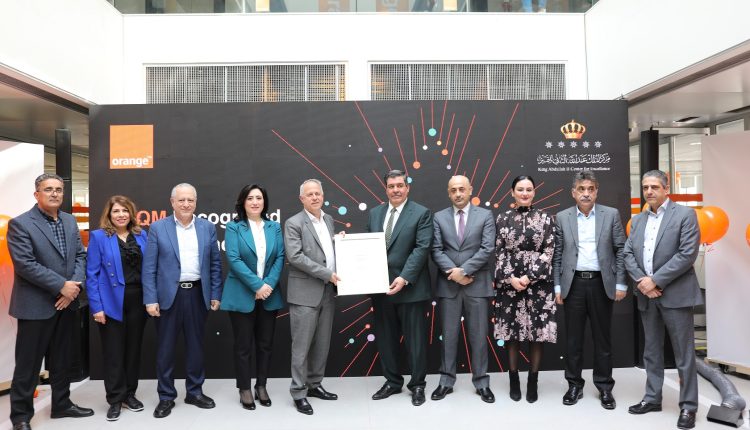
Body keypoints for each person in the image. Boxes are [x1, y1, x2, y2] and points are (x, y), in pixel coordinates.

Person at [7, 173, 94, 430]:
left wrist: (73, 288)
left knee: (62, 360)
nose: (54, 193)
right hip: (35, 306)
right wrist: (61, 286)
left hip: (67, 303)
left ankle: (62, 405)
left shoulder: (69, 220)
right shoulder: (21, 224)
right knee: (28, 365)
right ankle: (21, 417)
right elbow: (25, 265)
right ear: (37, 194)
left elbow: (80, 256)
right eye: (48, 189)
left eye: (58, 189)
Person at [624, 170, 701, 430]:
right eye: (645, 187)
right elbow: (628, 254)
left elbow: (687, 254)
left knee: (683, 354)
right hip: (647, 295)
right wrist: (643, 282)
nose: (649, 191)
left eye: (654, 187)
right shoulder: (638, 220)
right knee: (651, 351)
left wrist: (655, 280)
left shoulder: (685, 215)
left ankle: (688, 406)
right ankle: (652, 398)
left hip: (675, 295)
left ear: (667, 188)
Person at [142, 183, 223, 418]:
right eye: (181, 200)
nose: (186, 204)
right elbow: (149, 268)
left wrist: (215, 293)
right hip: (169, 297)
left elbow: (215, 264)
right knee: (165, 350)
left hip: (198, 294)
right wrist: (150, 299)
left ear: (195, 202)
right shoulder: (158, 228)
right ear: (172, 202)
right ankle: (166, 396)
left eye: (190, 200)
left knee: (196, 348)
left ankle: (194, 392)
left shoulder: (207, 227)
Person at [552, 170, 626, 410]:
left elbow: (621, 249)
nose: (586, 194)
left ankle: (604, 387)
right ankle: (574, 385)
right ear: (573, 192)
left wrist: (621, 283)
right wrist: (557, 285)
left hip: (601, 284)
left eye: (590, 189)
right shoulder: (562, 217)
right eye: (581, 189)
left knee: (602, 339)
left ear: (596, 191)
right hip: (573, 285)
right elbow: (557, 254)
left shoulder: (611, 215)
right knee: (573, 340)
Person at [367, 169, 433, 407]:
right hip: (381, 288)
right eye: (391, 186)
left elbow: (422, 249)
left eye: (400, 185)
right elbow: (367, 247)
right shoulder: (375, 213)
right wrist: (345, 242)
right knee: (386, 340)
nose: (395, 190)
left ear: (407, 188)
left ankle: (417, 385)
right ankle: (393, 382)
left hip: (410, 289)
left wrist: (404, 278)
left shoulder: (421, 213)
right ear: (386, 189)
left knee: (416, 341)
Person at [431, 175, 496, 403]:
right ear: (448, 193)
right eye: (453, 190)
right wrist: (455, 274)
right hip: (449, 284)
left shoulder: (485, 215)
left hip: (476, 284)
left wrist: (465, 271)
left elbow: (487, 248)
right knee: (449, 336)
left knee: (479, 336)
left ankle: (482, 382)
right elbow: (436, 249)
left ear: (470, 190)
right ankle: (446, 381)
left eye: (461, 189)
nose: (458, 193)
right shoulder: (438, 217)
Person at [220, 184, 285, 410]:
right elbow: (234, 259)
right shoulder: (234, 227)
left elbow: (280, 257)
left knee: (265, 345)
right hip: (241, 294)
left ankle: (261, 386)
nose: (255, 202)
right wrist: (257, 285)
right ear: (243, 202)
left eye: (259, 198)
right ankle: (245, 388)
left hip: (269, 295)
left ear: (264, 202)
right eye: (250, 198)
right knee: (243, 346)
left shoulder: (274, 227)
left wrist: (268, 285)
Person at [493, 174, 556, 403]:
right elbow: (498, 251)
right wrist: (510, 278)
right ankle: (513, 380)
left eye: (529, 189)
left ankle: (533, 381)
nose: (525, 193)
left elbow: (549, 251)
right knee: (512, 334)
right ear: (512, 193)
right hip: (510, 285)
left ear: (534, 192)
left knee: (536, 334)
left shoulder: (546, 218)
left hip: (538, 285)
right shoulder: (502, 218)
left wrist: (529, 277)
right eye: (520, 189)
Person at [86, 195, 149, 421]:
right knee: (113, 353)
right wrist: (97, 307)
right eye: (116, 211)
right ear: (109, 215)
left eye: (125, 211)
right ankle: (115, 399)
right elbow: (91, 274)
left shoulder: (142, 235)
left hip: (138, 301)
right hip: (111, 302)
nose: (121, 215)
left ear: (131, 214)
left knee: (133, 351)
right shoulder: (99, 237)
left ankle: (129, 394)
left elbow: (149, 269)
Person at [283, 179, 339, 415]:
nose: (315, 197)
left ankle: (315, 384)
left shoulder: (329, 219)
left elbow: (327, 251)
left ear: (322, 196)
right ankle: (298, 392)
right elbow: (295, 257)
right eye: (310, 194)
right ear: (302, 199)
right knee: (302, 347)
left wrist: (340, 243)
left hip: (328, 291)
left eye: (318, 193)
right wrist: (328, 274)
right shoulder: (293, 223)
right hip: (305, 293)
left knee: (322, 344)